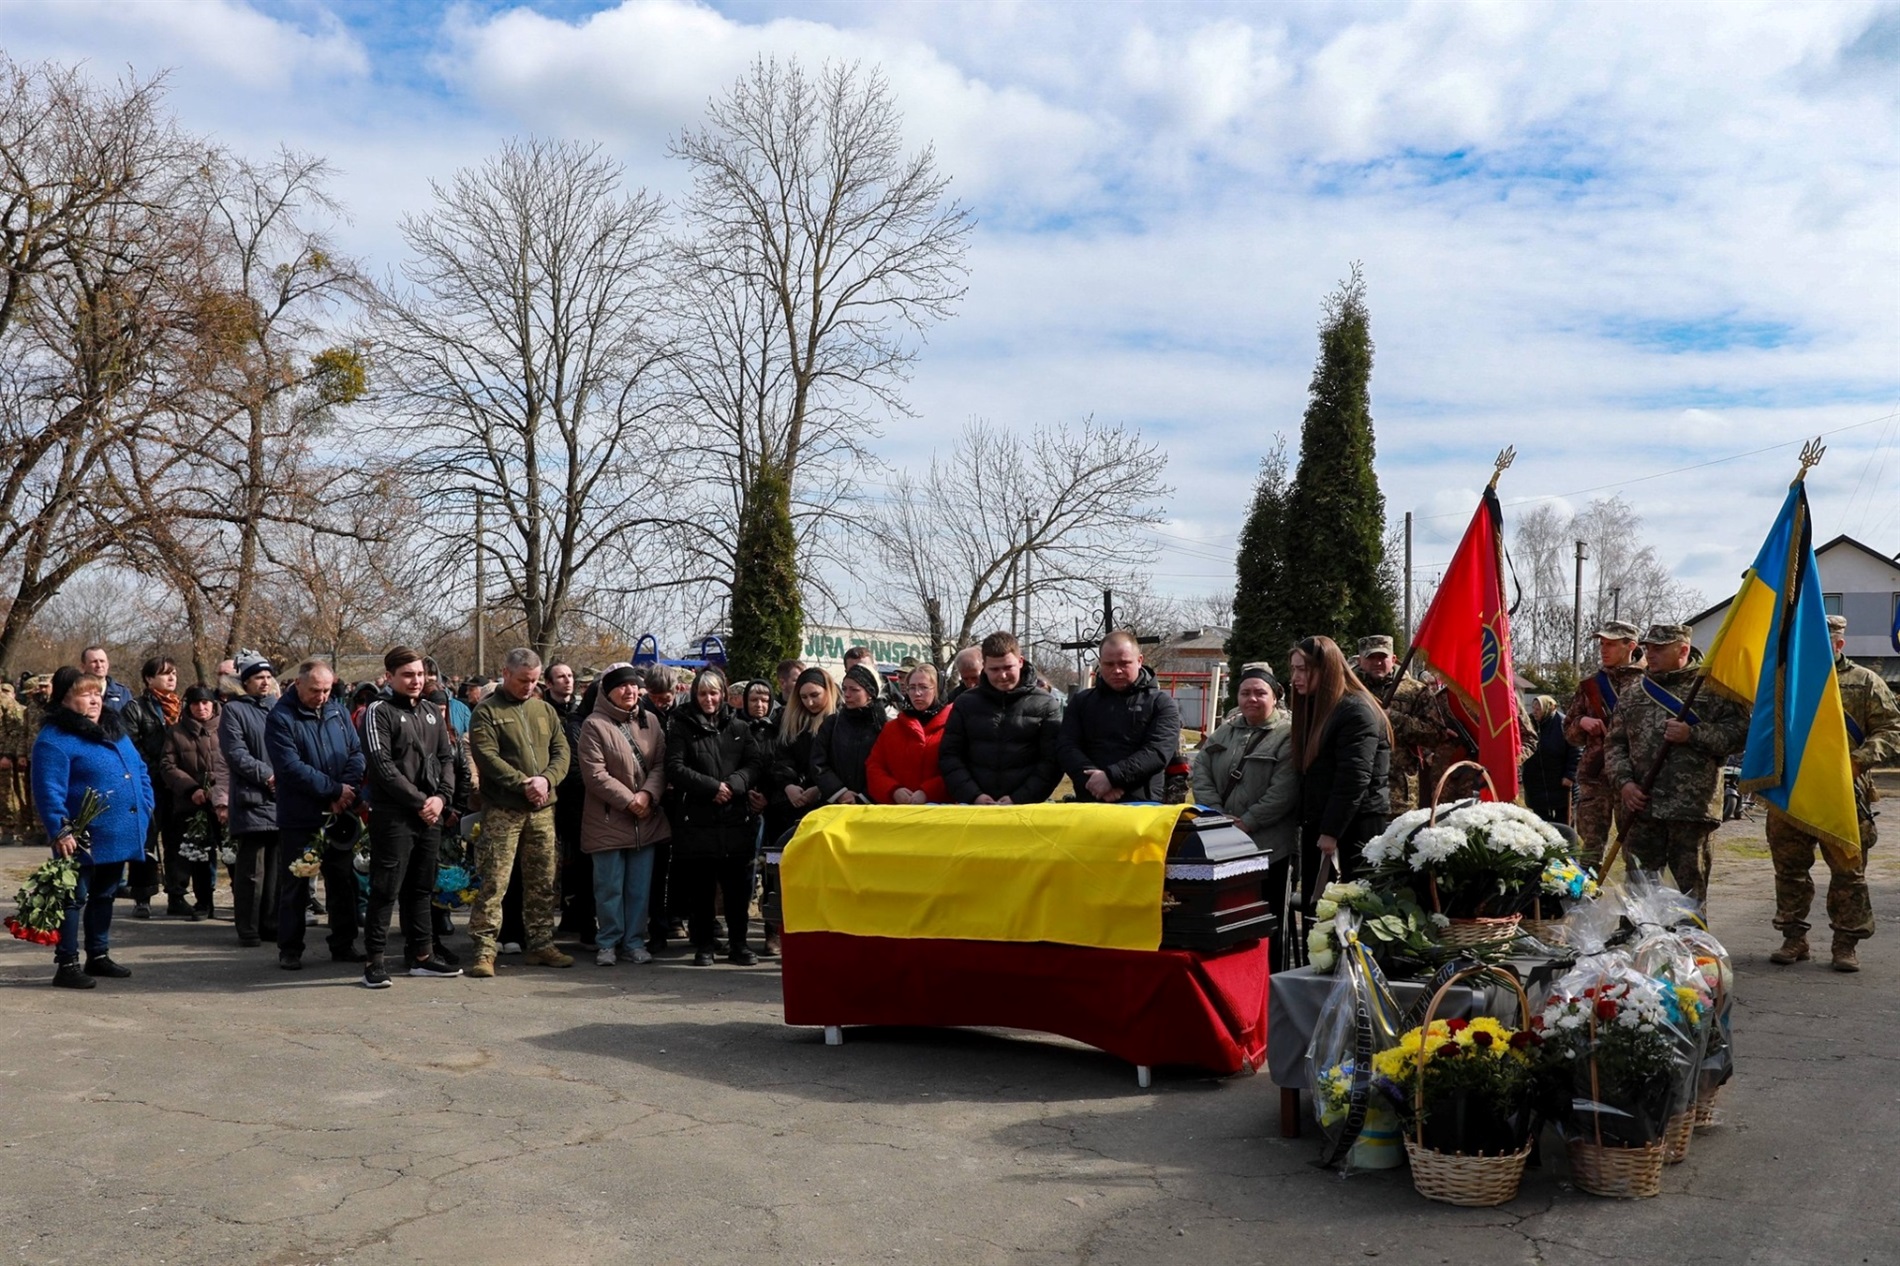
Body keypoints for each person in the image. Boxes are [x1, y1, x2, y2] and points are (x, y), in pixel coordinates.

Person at [1766, 615, 1900, 972]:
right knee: (1790, 870)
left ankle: (1845, 943)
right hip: (1792, 789)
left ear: (1839, 644)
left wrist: (1859, 761)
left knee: (1848, 873)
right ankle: (1793, 938)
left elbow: (1892, 729)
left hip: (1843, 791)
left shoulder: (1865, 681)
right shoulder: (1787, 680)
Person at [1604, 623, 1749, 904]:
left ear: (1683, 649)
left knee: (1689, 891)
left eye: (1659, 648)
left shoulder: (1713, 687)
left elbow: (1741, 734)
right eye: (1648, 648)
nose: (1651, 654)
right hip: (1642, 808)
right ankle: (1638, 941)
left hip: (1691, 809)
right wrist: (1625, 784)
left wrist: (1693, 734)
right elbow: (1614, 744)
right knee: (1639, 889)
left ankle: (1690, 943)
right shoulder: (1635, 692)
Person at [31, 669, 155, 988]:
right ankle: (67, 963)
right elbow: (48, 789)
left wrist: (146, 802)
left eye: (97, 693)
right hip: (81, 836)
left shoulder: (114, 729)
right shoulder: (55, 739)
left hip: (117, 831)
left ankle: (98, 955)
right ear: (65, 699)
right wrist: (61, 830)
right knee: (74, 897)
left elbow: (139, 768)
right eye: (85, 694)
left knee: (106, 894)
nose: (94, 699)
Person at [358, 646, 464, 988]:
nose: (416, 680)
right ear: (390, 677)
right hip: (393, 815)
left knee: (421, 888)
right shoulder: (378, 711)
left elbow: (447, 759)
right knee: (385, 889)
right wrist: (421, 801)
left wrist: (441, 799)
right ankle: (374, 960)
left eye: (420, 674)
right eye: (407, 675)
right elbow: (383, 767)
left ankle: (422, 956)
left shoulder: (433, 710)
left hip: (429, 814)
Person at [466, 647, 573, 978]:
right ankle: (485, 949)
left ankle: (540, 944)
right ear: (506, 673)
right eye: (524, 680)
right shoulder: (486, 712)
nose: (530, 686)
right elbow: (487, 757)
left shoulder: (544, 710)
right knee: (494, 880)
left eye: (535, 680)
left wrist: (546, 780)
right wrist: (524, 783)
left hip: (542, 809)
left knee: (542, 880)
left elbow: (562, 751)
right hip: (503, 809)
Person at [267, 660, 367, 971]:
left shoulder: (337, 711)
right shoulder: (281, 717)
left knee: (342, 881)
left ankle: (343, 941)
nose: (321, 696)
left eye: (326, 690)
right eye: (315, 690)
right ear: (298, 684)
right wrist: (333, 791)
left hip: (339, 814)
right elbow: (290, 767)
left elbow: (356, 752)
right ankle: (291, 947)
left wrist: (345, 790)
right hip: (302, 815)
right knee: (297, 882)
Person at [664, 667, 766, 966]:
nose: (708, 699)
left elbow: (754, 763)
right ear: (695, 696)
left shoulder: (739, 727)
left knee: (737, 890)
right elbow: (675, 766)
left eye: (714, 693)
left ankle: (739, 944)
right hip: (698, 820)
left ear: (722, 695)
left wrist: (734, 785)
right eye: (702, 693)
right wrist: (711, 788)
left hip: (735, 820)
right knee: (701, 890)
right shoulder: (681, 726)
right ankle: (705, 945)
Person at [1286, 635, 1392, 904]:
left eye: (1302, 669)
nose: (1295, 677)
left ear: (1326, 669)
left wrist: (1331, 831)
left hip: (1355, 827)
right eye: (1293, 669)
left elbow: (1354, 778)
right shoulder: (1319, 707)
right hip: (1323, 823)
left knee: (1354, 912)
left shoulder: (1356, 711)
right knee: (1319, 912)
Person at [578, 662, 669, 967]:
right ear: (607, 691)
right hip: (608, 819)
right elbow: (594, 774)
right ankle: (608, 942)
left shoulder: (651, 722)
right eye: (621, 686)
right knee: (608, 887)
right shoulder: (594, 724)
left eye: (632, 685)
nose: (629, 691)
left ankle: (634, 941)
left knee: (639, 888)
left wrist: (647, 795)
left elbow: (659, 765)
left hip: (646, 818)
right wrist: (631, 800)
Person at [760, 666, 837, 957]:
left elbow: (833, 764)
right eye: (803, 697)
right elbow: (778, 757)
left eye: (814, 696)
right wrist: (789, 784)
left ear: (827, 693)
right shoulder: (787, 720)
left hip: (822, 802)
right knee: (777, 865)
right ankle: (773, 931)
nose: (809, 702)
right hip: (787, 802)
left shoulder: (836, 722)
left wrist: (818, 787)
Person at [938, 632, 1061, 805]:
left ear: (1020, 662)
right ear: (984, 666)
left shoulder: (1046, 705)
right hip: (974, 807)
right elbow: (950, 756)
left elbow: (1051, 763)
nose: (1002, 675)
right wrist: (974, 796)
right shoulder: (965, 703)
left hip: (1028, 807)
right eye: (994, 669)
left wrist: (1019, 799)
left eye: (1008, 667)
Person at [1058, 631, 1181, 803]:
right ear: (1100, 663)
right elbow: (1066, 747)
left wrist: (1111, 778)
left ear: (1139, 661)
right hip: (1089, 802)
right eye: (1109, 664)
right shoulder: (1081, 702)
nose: (1117, 670)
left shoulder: (1161, 704)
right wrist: (1094, 782)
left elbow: (1157, 753)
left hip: (1141, 806)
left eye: (1124, 663)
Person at [1191, 663, 1298, 857]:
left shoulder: (1288, 735)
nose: (1252, 699)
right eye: (1245, 693)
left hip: (1270, 845)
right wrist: (1216, 815)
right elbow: (1201, 771)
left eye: (1260, 693)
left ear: (1275, 698)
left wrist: (1248, 822)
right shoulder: (1224, 732)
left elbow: (1283, 791)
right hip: (1222, 838)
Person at [1563, 620, 1646, 867]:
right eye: (1601, 644)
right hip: (1594, 779)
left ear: (1631, 645)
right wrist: (1581, 722)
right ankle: (1583, 901)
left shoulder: (1650, 683)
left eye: (1610, 644)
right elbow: (1568, 732)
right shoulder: (1591, 686)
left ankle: (1638, 902)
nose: (1603, 649)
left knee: (1636, 851)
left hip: (1634, 779)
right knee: (1588, 848)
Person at [220, 655, 280, 948]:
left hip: (281, 800)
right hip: (252, 799)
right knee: (251, 872)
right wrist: (268, 776)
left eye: (268, 677)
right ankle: (248, 926)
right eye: (258, 678)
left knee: (276, 869)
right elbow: (236, 753)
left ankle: (271, 922)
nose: (265, 682)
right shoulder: (234, 710)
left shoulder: (279, 709)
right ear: (245, 683)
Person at [119, 656, 181, 917]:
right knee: (146, 839)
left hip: (178, 784)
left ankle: (177, 895)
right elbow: (131, 747)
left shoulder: (182, 707)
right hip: (150, 782)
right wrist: (155, 770)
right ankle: (142, 895)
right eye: (165, 674)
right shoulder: (135, 708)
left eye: (174, 673)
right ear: (148, 679)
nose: (171, 678)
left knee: (177, 841)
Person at [1352, 635, 1439, 819]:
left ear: (1393, 659)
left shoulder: (1415, 691)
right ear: (1360, 660)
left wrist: (1394, 718)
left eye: (1382, 657)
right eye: (1370, 657)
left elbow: (1435, 733)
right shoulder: (1349, 690)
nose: (1377, 662)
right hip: (1355, 792)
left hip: (1399, 794)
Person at [158, 685, 226, 921]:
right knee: (200, 856)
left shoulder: (227, 727)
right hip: (192, 804)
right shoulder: (176, 733)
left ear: (213, 704)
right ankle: (203, 903)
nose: (202, 707)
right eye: (196, 703)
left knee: (232, 854)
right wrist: (191, 789)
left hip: (224, 802)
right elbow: (168, 766)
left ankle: (246, 906)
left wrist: (221, 789)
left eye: (206, 702)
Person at [545, 661, 593, 947]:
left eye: (570, 676)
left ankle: (575, 914)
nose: (567, 681)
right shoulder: (544, 712)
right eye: (561, 677)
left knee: (577, 860)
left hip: (577, 799)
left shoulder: (578, 713)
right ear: (549, 683)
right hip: (553, 793)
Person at [637, 664, 682, 952]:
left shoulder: (683, 714)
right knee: (655, 866)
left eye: (665, 698)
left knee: (678, 866)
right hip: (651, 795)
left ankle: (676, 916)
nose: (661, 703)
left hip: (680, 797)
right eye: (655, 697)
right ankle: (656, 925)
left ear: (676, 691)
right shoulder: (641, 713)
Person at [867, 664, 951, 804]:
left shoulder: (953, 725)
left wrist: (929, 791)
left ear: (938, 689)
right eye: (912, 688)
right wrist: (893, 790)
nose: (917, 693)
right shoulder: (892, 728)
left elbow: (961, 769)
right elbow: (874, 766)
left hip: (942, 812)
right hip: (898, 811)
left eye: (924, 687)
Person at [812, 664, 886, 805]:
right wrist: (840, 792)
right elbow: (818, 762)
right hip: (835, 805)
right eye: (845, 688)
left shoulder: (884, 726)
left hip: (873, 807)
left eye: (854, 690)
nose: (847, 694)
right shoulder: (832, 723)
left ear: (870, 693)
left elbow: (887, 767)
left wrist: (864, 797)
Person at [1521, 695, 1579, 825]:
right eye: (1533, 707)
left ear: (1549, 708)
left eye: (1538, 708)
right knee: (1542, 826)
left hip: (1561, 783)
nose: (1534, 711)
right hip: (1536, 784)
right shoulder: (1528, 724)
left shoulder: (1563, 723)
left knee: (1564, 824)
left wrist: (1570, 775)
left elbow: (1576, 751)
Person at [79, 645, 134, 714]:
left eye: (102, 661)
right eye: (94, 661)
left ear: (108, 664)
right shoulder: (76, 691)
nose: (99, 665)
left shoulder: (123, 692)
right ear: (83, 666)